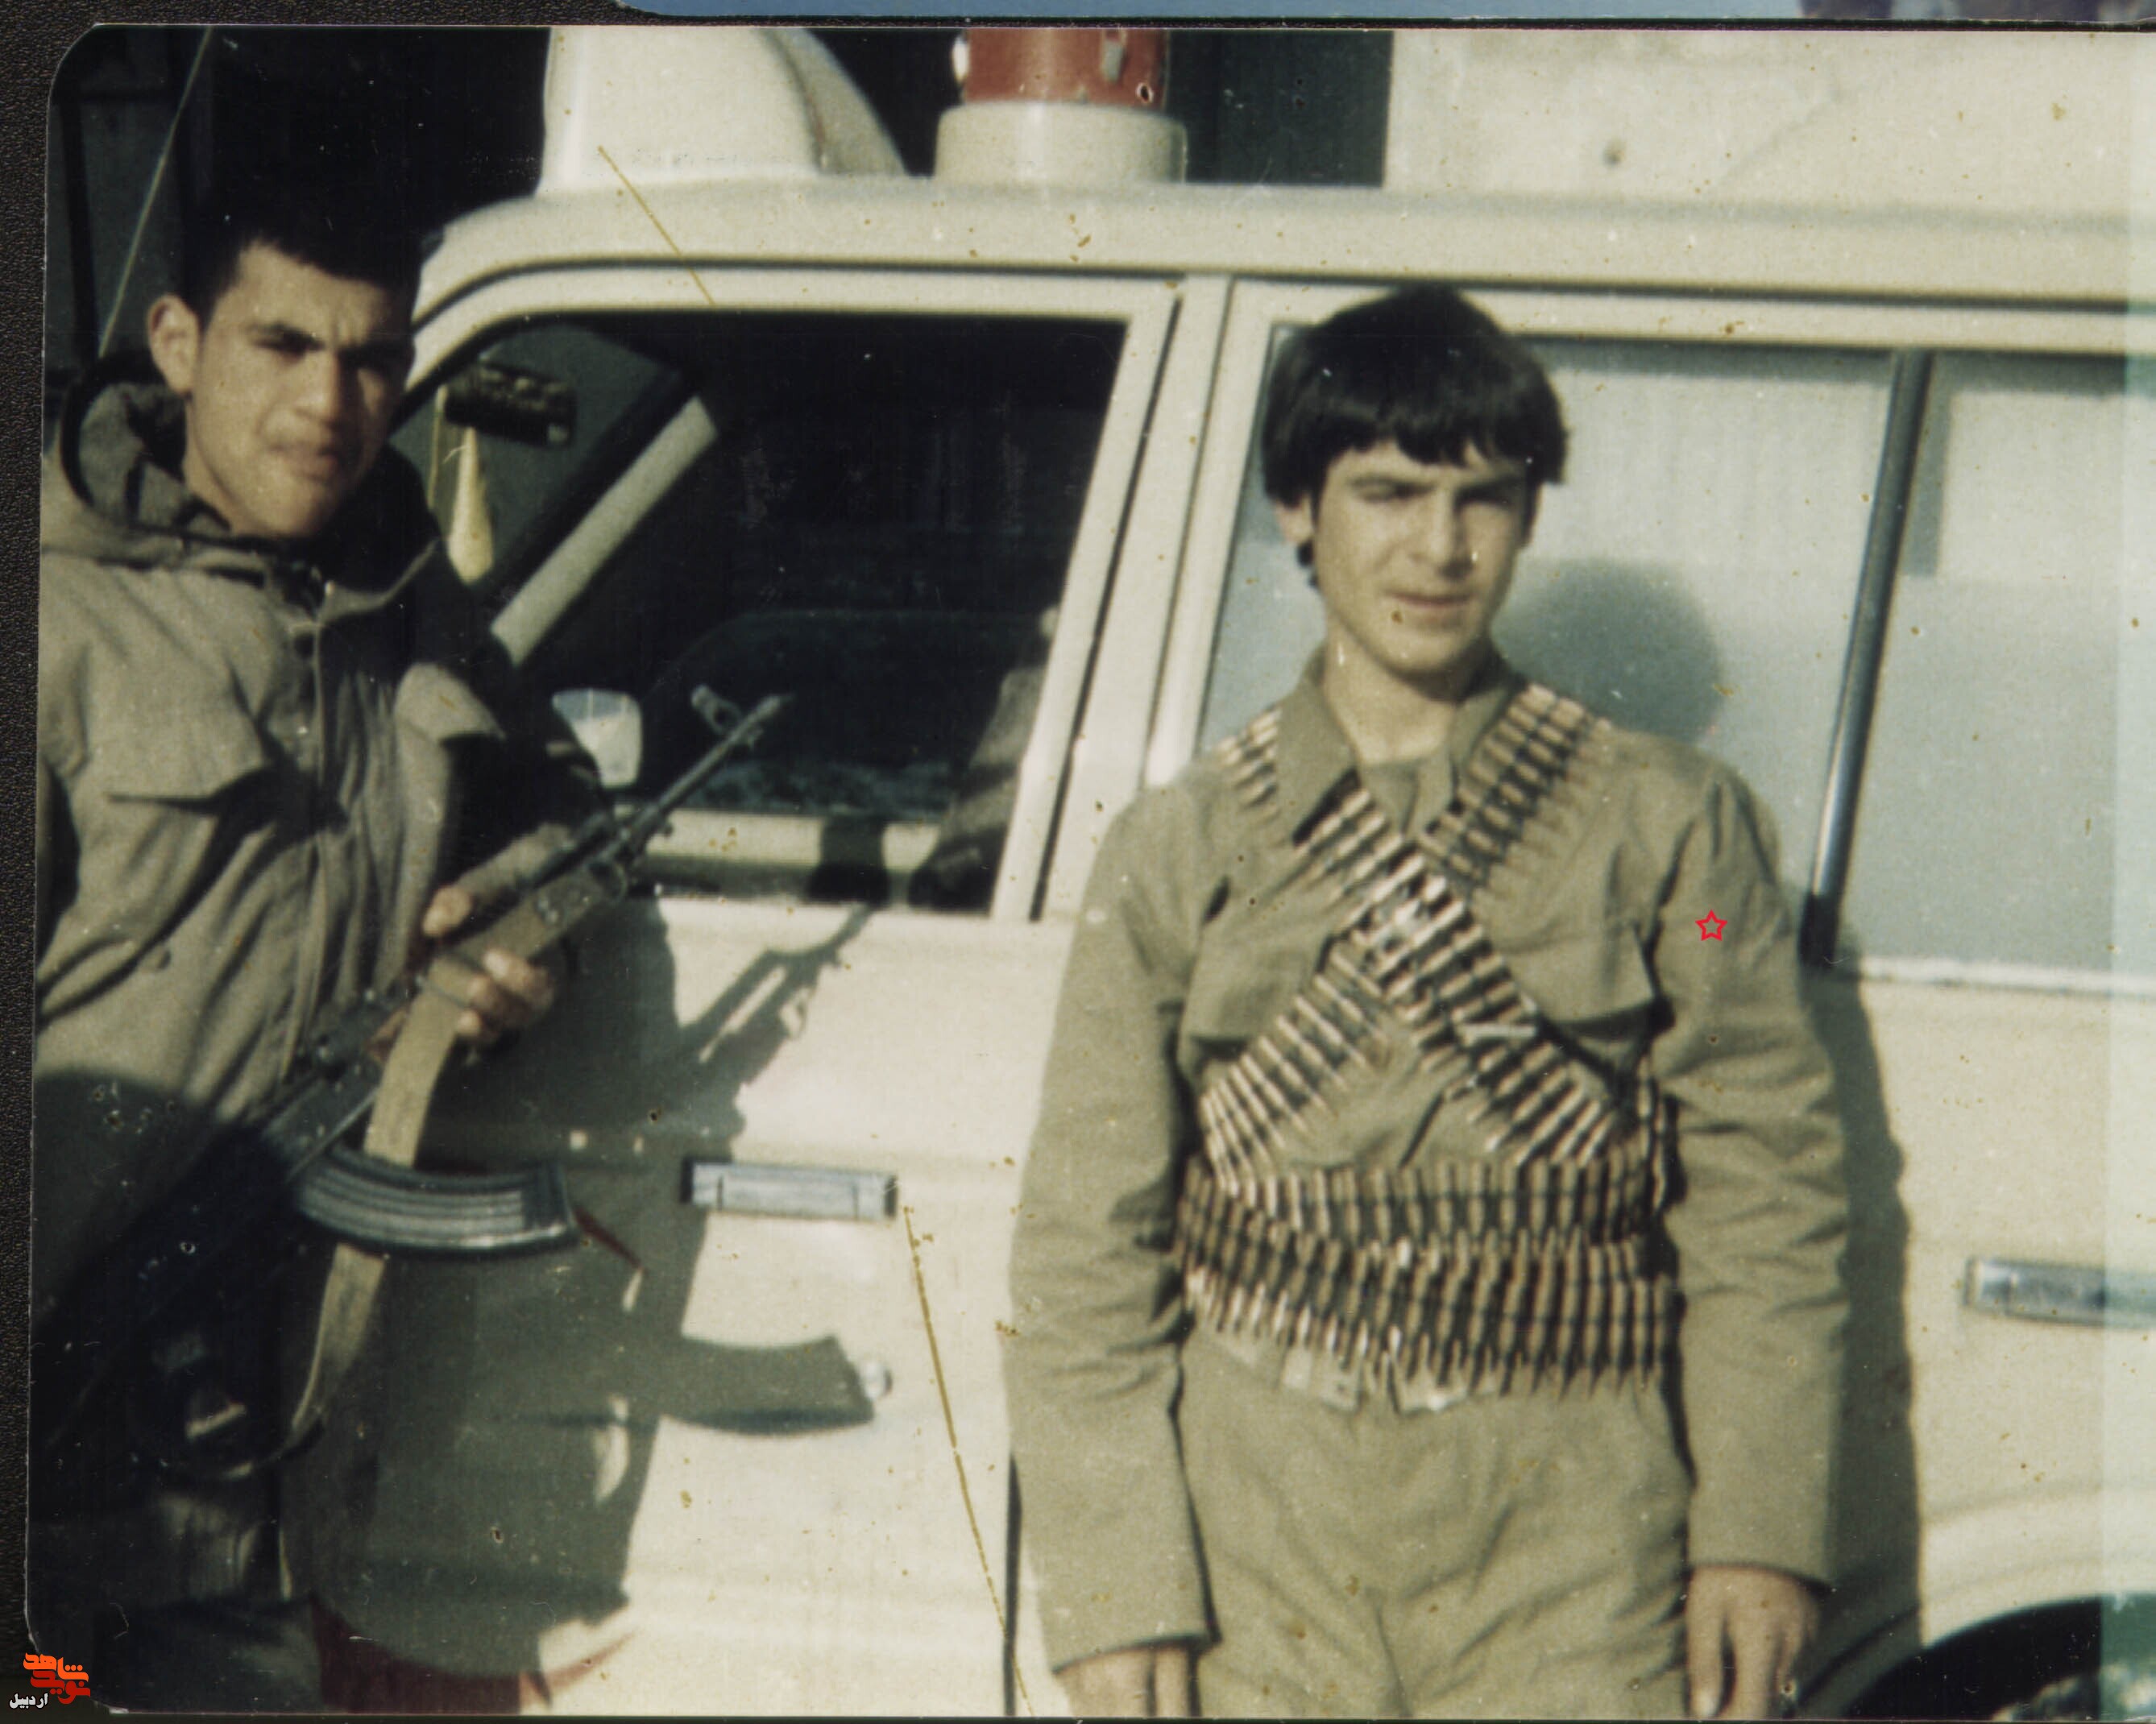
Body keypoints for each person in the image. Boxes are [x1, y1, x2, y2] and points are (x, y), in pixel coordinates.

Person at [1005, 285, 1848, 1719]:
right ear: (1297, 509)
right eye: (1388, 493)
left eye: (1484, 499)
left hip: (1574, 1539)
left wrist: (1760, 1534)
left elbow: (1766, 1192)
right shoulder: (1177, 847)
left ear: (1529, 515)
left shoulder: (1679, 835)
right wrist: (1115, 1586)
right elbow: (1089, 1242)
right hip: (1258, 1534)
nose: (1439, 550)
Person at [32, 174, 587, 1708]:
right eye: (281, 345)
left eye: (373, 360)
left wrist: (515, 924)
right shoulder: (56, 624)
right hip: (57, 1454)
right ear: (177, 342)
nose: (330, 405)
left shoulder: (402, 599)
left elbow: (557, 805)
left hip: (253, 1490)